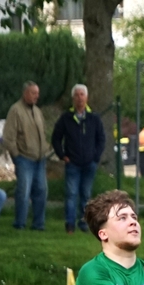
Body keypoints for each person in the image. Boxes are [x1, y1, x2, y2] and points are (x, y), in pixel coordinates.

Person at [52, 84, 106, 234]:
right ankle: (70, 224)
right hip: (72, 163)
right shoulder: (66, 118)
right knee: (71, 194)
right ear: (73, 99)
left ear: (87, 98)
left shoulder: (94, 118)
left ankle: (84, 223)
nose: (79, 98)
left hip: (89, 163)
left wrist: (96, 156)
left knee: (86, 195)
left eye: (82, 95)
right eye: (76, 95)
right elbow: (56, 138)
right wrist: (62, 155)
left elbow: (101, 139)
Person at [3, 81, 49, 231]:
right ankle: (20, 223)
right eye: (33, 93)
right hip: (24, 158)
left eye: (37, 93)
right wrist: (16, 156)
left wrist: (45, 149)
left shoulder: (37, 111)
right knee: (23, 192)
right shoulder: (15, 111)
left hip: (40, 159)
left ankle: (38, 224)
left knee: (41, 191)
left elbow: (43, 132)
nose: (37, 96)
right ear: (25, 93)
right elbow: (9, 137)